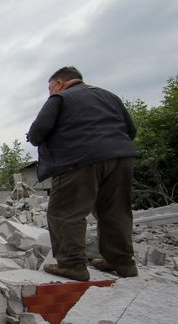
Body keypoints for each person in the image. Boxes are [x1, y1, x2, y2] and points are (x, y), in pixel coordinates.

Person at [27, 66, 138, 281]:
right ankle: (123, 262)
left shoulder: (60, 98)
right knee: (115, 211)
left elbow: (38, 132)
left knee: (65, 212)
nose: (50, 92)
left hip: (78, 160)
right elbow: (131, 130)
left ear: (59, 83)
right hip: (122, 158)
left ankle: (72, 265)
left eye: (50, 88)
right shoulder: (110, 96)